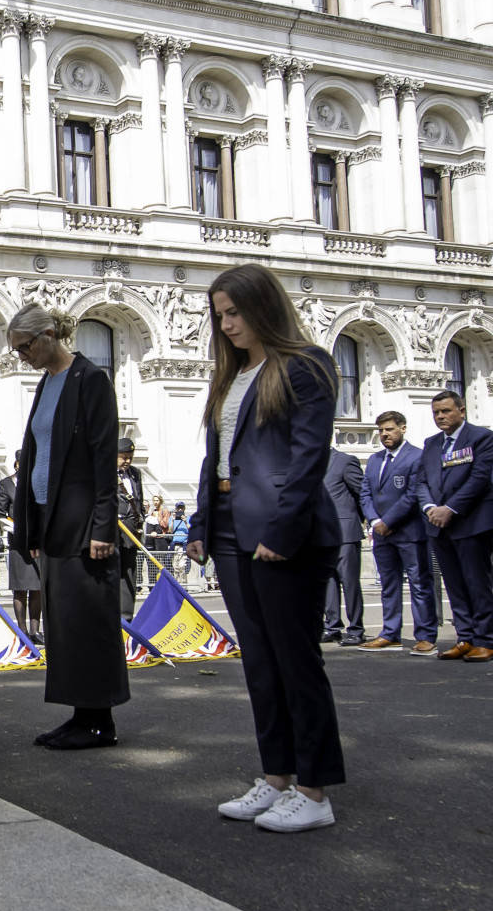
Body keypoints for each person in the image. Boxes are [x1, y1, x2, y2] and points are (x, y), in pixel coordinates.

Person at [184, 264, 344, 833]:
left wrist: (282, 529)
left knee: (295, 661)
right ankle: (276, 777)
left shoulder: (305, 364)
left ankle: (315, 789)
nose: (226, 324)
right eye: (220, 315)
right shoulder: (232, 374)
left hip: (284, 533)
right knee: (258, 663)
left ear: (265, 307)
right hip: (229, 529)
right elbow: (217, 457)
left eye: (235, 312)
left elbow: (308, 457)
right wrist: (201, 521)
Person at [9, 303, 129, 750]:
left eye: (23, 348)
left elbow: (102, 459)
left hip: (84, 524)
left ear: (45, 337)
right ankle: (80, 713)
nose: (21, 357)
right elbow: (38, 456)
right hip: (52, 519)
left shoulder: (91, 380)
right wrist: (32, 529)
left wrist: (103, 527)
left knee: (91, 622)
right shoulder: (47, 384)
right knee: (66, 625)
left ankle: (99, 720)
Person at [417, 390, 493, 662]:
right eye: (436, 413)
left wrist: (450, 509)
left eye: (446, 411)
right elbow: (421, 482)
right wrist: (431, 508)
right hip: (438, 526)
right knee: (454, 585)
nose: (440, 416)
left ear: (461, 411)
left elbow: (479, 479)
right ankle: (464, 637)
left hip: (471, 523)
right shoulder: (431, 443)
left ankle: (484, 640)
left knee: (476, 583)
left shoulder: (482, 438)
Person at [357, 410, 437, 653]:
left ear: (402, 428)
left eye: (389, 429)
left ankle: (425, 635)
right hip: (381, 533)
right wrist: (374, 520)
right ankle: (390, 633)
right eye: (381, 430)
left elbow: (413, 494)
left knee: (419, 584)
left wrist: (388, 521)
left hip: (410, 532)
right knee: (388, 585)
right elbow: (365, 493)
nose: (384, 434)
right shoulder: (374, 460)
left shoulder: (417, 457)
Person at [320, 449, 367, 645]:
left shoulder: (345, 461)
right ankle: (332, 627)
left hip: (344, 531)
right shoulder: (308, 461)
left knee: (350, 583)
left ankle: (356, 629)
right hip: (320, 534)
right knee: (328, 583)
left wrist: (356, 520)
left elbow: (361, 493)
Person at [0, 454, 44, 640]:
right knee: (21, 588)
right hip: (18, 543)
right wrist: (18, 528)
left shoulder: (39, 484)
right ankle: (22, 630)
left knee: (37, 587)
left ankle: (35, 630)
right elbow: (0, 513)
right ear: (17, 464)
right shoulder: (7, 484)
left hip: (38, 543)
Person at [113, 439, 147, 612]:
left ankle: (126, 615)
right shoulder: (105, 473)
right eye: (123, 457)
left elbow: (138, 499)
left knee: (129, 573)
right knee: (113, 573)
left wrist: (140, 521)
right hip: (113, 531)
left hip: (131, 531)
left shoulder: (135, 473)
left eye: (130, 457)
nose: (127, 461)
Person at [169, 502, 191, 582]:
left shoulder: (188, 518)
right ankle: (177, 584)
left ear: (184, 509)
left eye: (182, 508)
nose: (180, 509)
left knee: (183, 566)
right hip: (175, 544)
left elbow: (191, 530)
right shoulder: (172, 518)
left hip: (184, 544)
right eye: (178, 508)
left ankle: (184, 585)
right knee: (175, 566)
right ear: (176, 509)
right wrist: (172, 520)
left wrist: (185, 521)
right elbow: (170, 531)